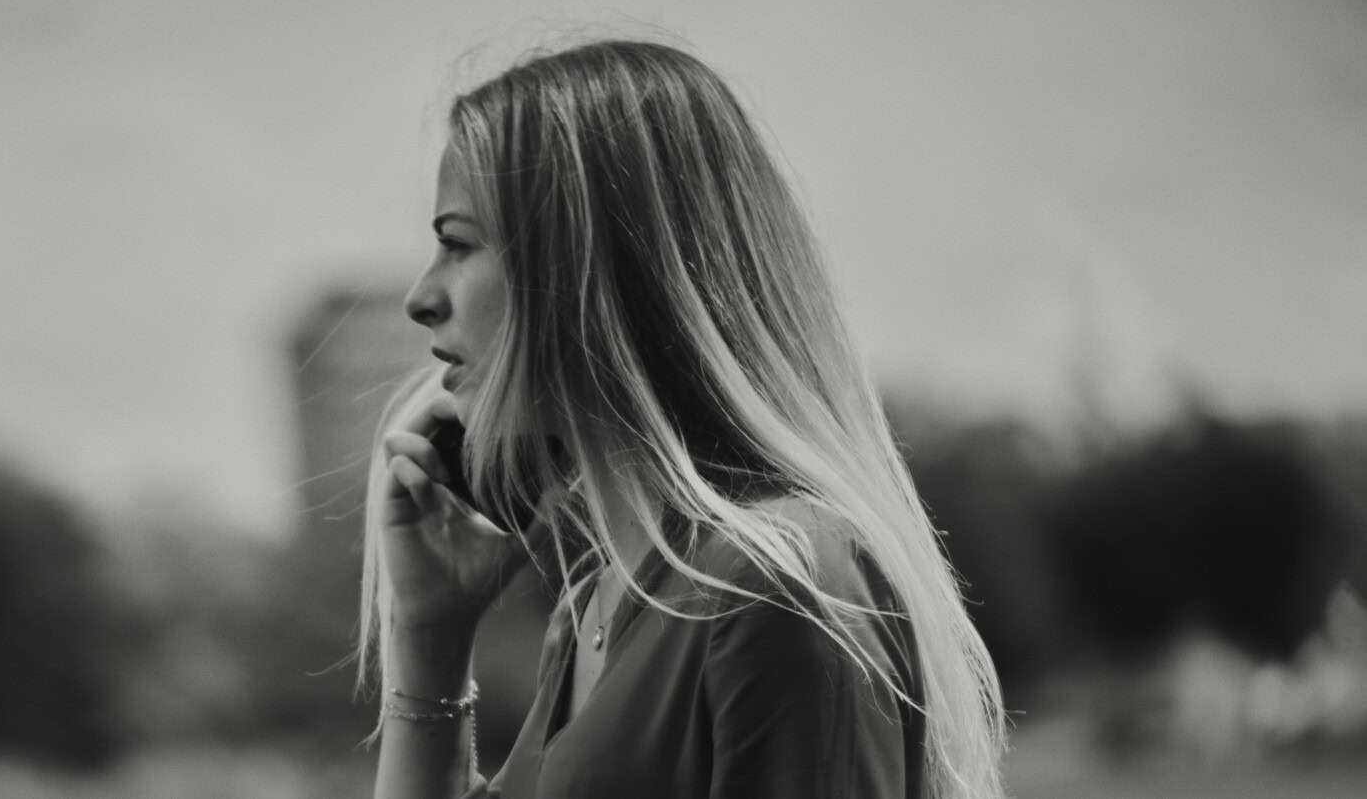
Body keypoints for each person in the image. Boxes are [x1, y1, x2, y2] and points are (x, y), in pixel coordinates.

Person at [353, 40, 1008, 799]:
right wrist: (428, 635)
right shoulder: (594, 609)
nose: (421, 299)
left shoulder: (771, 588)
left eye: (457, 245)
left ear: (588, 268)